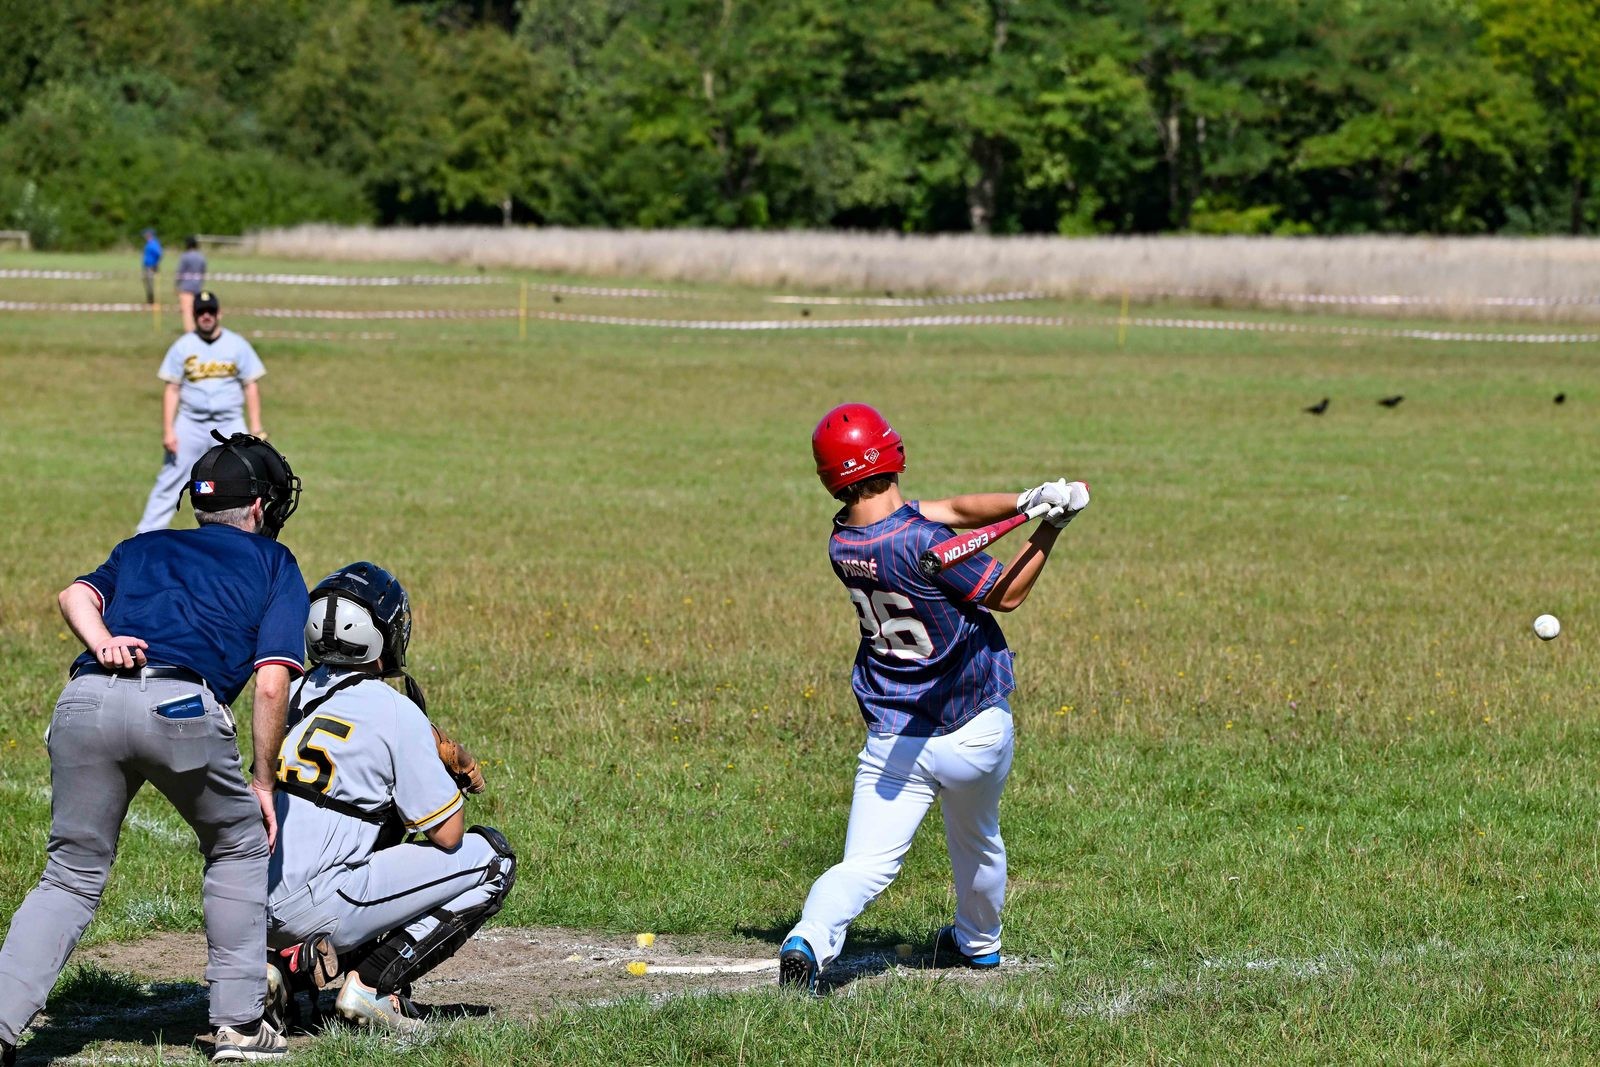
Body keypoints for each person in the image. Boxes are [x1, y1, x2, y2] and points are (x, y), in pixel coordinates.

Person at [0, 433, 308, 1064]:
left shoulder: (143, 545)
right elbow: (272, 682)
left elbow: (74, 596)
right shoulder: (275, 562)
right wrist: (263, 781)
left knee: (70, 874)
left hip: (84, 700)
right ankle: (240, 1026)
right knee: (238, 843)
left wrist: (104, 643)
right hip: (179, 708)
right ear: (259, 507)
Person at [777, 403, 1090, 993]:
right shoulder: (922, 543)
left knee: (866, 865)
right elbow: (1006, 593)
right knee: (978, 842)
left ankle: (810, 938)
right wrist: (1053, 529)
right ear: (890, 454)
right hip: (973, 729)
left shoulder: (845, 539)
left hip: (894, 736)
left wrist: (1028, 501)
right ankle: (978, 945)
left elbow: (953, 511)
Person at [267, 562, 514, 1034]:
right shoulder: (393, 709)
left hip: (244, 903)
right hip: (321, 901)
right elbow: (447, 834)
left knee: (357, 834)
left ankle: (276, 968)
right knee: (493, 861)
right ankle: (373, 986)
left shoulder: (288, 692)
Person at [137, 290, 268, 534]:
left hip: (230, 422)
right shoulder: (183, 346)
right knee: (171, 479)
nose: (206, 316)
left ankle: (247, 537)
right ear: (194, 315)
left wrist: (256, 427)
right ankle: (145, 535)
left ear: (219, 313)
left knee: (242, 480)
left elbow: (251, 385)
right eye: (200, 312)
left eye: (210, 311)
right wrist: (168, 430)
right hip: (191, 423)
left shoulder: (237, 345)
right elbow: (172, 388)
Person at [176, 236, 209, 333]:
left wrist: (177, 284)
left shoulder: (185, 256)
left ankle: (189, 331)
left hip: (186, 287)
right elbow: (203, 271)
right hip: (197, 287)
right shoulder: (201, 257)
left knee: (187, 310)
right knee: (197, 309)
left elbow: (180, 271)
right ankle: (199, 328)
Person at [141, 228, 163, 305]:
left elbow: (159, 254)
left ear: (149, 235)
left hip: (151, 267)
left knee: (150, 284)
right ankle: (150, 300)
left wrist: (156, 264)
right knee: (147, 283)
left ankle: (151, 300)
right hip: (147, 266)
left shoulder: (153, 243)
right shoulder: (149, 243)